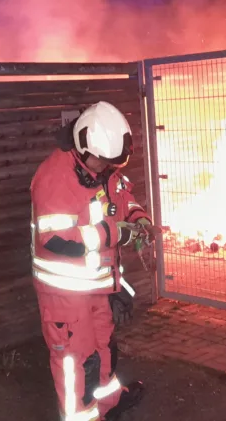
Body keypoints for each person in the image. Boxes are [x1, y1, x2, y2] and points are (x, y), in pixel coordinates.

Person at [30, 101, 159, 421]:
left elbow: (121, 198)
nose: (106, 167)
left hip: (95, 287)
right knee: (77, 362)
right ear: (84, 145)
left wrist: (139, 218)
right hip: (65, 295)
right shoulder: (54, 177)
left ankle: (108, 403)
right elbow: (55, 239)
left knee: (103, 347)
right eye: (102, 161)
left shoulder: (100, 167)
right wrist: (116, 233)